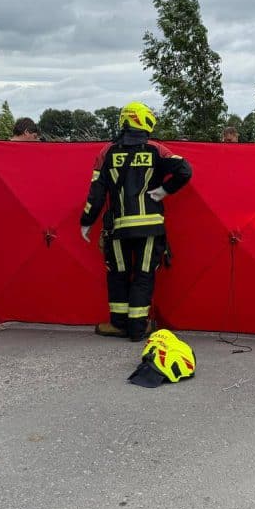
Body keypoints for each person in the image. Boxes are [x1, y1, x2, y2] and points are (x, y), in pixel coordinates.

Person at [79, 102, 192, 341]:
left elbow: (96, 193)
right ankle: (138, 329)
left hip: (118, 228)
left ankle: (118, 324)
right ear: (145, 121)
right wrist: (164, 190)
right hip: (151, 227)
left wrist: (86, 221)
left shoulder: (106, 152)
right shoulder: (157, 150)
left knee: (118, 274)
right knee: (143, 275)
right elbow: (185, 169)